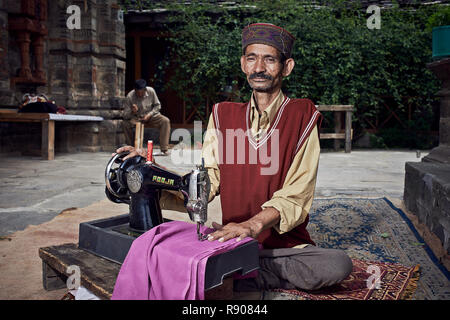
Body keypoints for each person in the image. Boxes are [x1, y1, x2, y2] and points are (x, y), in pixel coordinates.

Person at [117, 23, 352, 294]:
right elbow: (209, 180)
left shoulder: (302, 115)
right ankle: (236, 269)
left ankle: (238, 273)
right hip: (232, 240)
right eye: (252, 58)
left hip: (282, 247)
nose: (259, 67)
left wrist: (251, 226)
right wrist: (153, 172)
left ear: (287, 67)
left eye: (270, 59)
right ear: (243, 64)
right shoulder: (222, 114)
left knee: (336, 264)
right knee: (161, 247)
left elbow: (296, 196)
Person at [122, 79, 171, 155]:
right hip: (136, 118)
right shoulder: (130, 96)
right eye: (138, 93)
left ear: (145, 89)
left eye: (142, 92)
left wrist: (150, 114)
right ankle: (130, 148)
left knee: (165, 121)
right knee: (125, 123)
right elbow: (125, 115)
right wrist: (132, 111)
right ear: (135, 90)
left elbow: (158, 106)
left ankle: (164, 149)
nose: (140, 94)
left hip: (150, 117)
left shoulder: (151, 91)